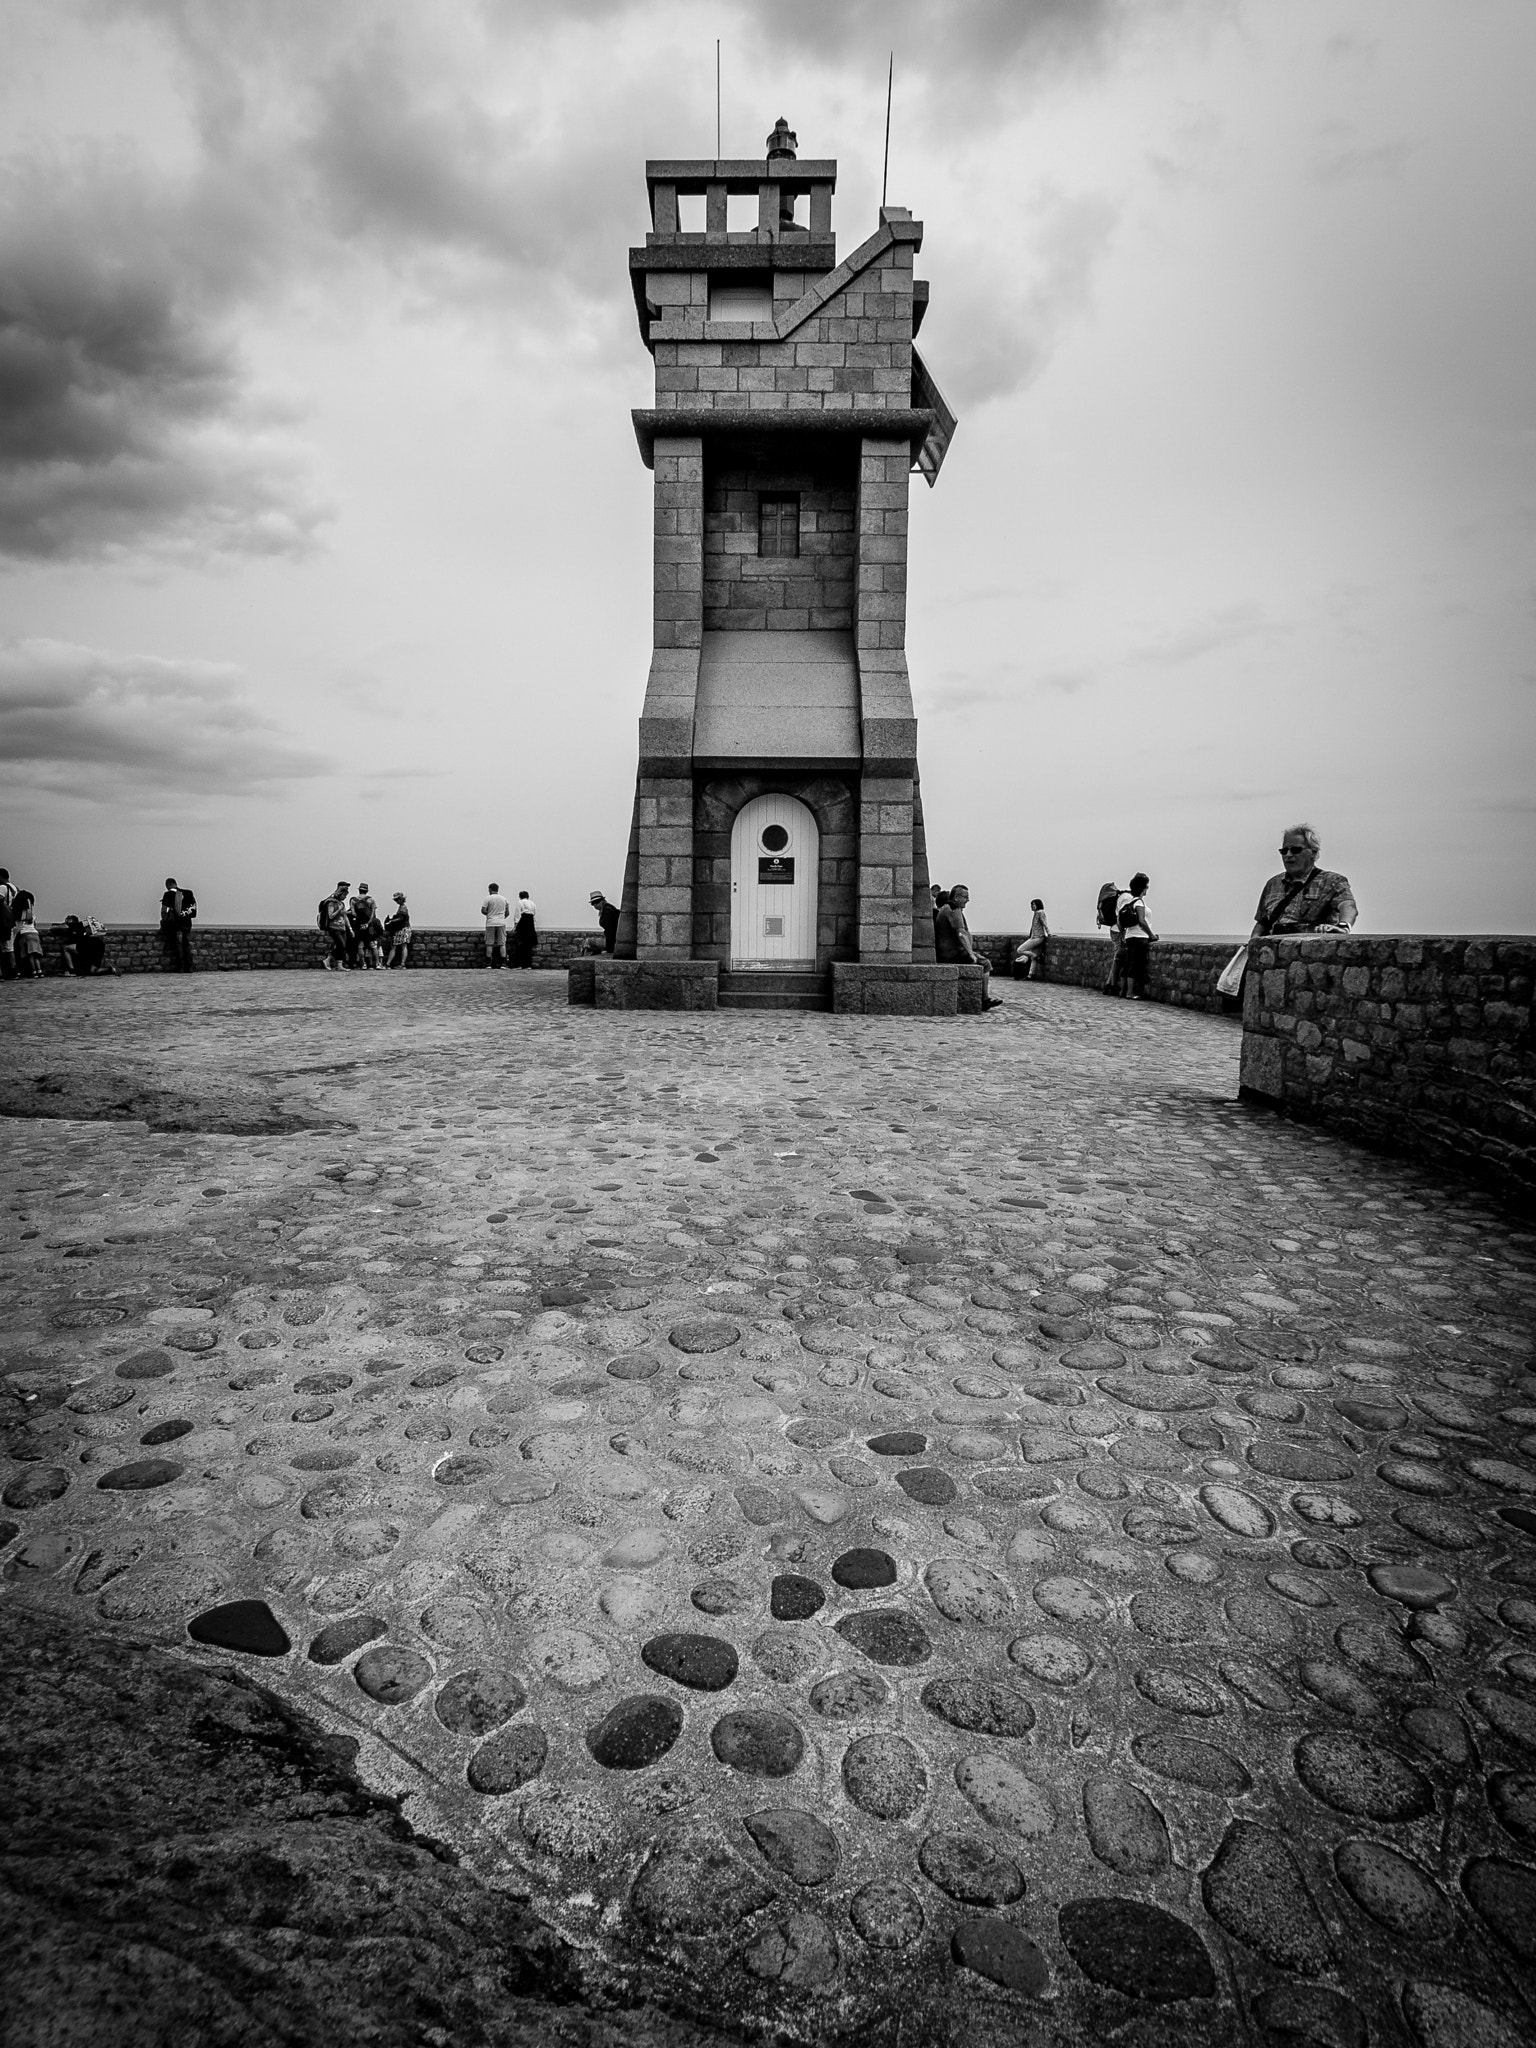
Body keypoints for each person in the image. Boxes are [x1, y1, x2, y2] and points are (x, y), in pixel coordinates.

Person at [1251, 824, 1357, 939]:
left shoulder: (1332, 881)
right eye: (1284, 851)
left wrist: (1343, 926)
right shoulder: (1273, 884)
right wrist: (1253, 946)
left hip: (1312, 950)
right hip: (1274, 951)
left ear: (1313, 852)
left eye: (1295, 850)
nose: (1288, 855)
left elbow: (1348, 906)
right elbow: (1262, 922)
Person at [934, 883, 1001, 1009]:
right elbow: (961, 934)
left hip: (946, 952)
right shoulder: (954, 910)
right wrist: (971, 954)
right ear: (956, 898)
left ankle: (985, 998)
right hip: (950, 954)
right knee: (985, 964)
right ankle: (985, 999)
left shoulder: (946, 908)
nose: (967, 900)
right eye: (965, 897)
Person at [1117, 872, 1158, 999]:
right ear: (1142, 888)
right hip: (1140, 938)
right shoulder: (1139, 903)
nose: (1147, 889)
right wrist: (1151, 935)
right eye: (1146, 887)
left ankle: (1122, 991)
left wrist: (1124, 934)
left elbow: (1119, 922)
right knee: (1134, 965)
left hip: (1129, 937)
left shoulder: (1128, 903)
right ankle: (1130, 992)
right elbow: (1142, 921)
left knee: (1127, 964)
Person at [159, 878, 196, 970]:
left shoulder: (168, 894)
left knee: (179, 944)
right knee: (186, 944)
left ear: (167, 886)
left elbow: (164, 911)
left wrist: (164, 921)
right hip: (187, 923)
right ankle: (189, 967)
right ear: (176, 884)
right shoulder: (188, 893)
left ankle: (181, 966)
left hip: (176, 924)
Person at [1096, 880, 1125, 994]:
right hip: (1118, 930)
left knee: (1117, 957)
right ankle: (1110, 985)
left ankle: (1109, 984)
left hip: (1113, 929)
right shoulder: (1118, 898)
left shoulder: (1108, 900)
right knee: (1117, 958)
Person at [318, 882, 353, 970]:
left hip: (342, 927)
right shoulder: (331, 903)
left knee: (342, 946)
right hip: (334, 927)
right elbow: (331, 916)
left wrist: (350, 928)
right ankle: (328, 958)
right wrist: (339, 910)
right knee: (341, 945)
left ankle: (339, 965)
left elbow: (345, 917)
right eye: (344, 895)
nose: (345, 897)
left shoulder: (342, 904)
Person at [1015, 899, 1050, 980]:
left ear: (1037, 905)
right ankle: (1031, 975)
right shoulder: (1036, 913)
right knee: (1032, 958)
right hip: (1034, 937)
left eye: (1033, 905)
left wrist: (1049, 933)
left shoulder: (1040, 912)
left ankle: (1037, 957)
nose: (1031, 906)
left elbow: (1045, 924)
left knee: (1019, 950)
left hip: (1038, 937)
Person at [349, 883, 381, 969]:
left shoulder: (353, 900)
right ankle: (378, 964)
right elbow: (373, 915)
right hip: (369, 926)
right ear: (367, 891)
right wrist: (367, 924)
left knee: (360, 945)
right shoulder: (371, 900)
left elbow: (353, 914)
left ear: (359, 890)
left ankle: (363, 964)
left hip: (358, 926)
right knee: (373, 945)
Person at [14, 894, 44, 978]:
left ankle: (33, 971)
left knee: (30, 955)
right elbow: (34, 925)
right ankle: (40, 971)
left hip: (25, 934)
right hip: (35, 933)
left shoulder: (21, 914)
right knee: (36, 955)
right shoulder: (32, 915)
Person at [481, 883, 511, 967]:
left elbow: (483, 910)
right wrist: (501, 917)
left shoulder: (487, 899)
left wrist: (489, 914)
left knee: (489, 943)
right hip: (501, 923)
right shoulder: (504, 899)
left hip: (490, 923)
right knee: (502, 943)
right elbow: (507, 912)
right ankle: (503, 963)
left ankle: (488, 963)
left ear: (490, 889)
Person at [510, 889, 537, 969]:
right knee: (528, 945)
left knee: (520, 944)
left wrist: (515, 926)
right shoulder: (532, 903)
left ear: (520, 897)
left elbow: (517, 914)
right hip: (530, 923)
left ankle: (519, 964)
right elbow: (534, 914)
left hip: (523, 922)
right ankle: (528, 964)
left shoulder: (520, 902)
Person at [384, 891, 412, 969]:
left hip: (402, 928)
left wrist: (391, 921)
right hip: (405, 928)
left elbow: (401, 918)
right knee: (402, 946)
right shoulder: (402, 907)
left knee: (397, 946)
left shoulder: (403, 908)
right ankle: (401, 964)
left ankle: (392, 964)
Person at [589, 889, 620, 955]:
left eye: (597, 902)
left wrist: (609, 950)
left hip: (614, 941)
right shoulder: (608, 909)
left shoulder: (607, 911)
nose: (595, 905)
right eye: (593, 903)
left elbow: (610, 931)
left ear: (602, 901)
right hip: (614, 940)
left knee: (588, 943)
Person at [0, 870, 17, 980]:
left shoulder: (2, 887)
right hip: (10, 921)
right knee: (9, 949)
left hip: (2, 920)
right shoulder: (14, 888)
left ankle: (1, 973)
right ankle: (13, 972)